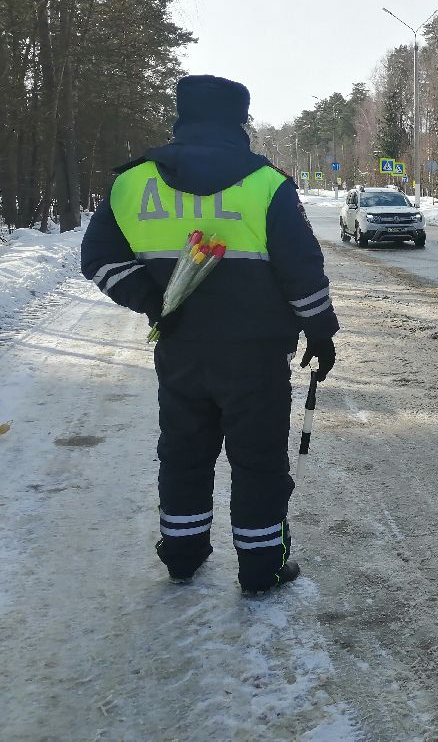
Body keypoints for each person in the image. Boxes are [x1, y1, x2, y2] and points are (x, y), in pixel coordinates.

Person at [81, 75, 338, 594]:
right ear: (239, 121)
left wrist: (155, 302)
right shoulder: (265, 183)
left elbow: (100, 260)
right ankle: (261, 569)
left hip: (180, 350)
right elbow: (301, 268)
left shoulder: (134, 182)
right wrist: (320, 331)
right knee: (258, 461)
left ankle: (182, 554)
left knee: (184, 453)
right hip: (256, 355)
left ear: (182, 116)